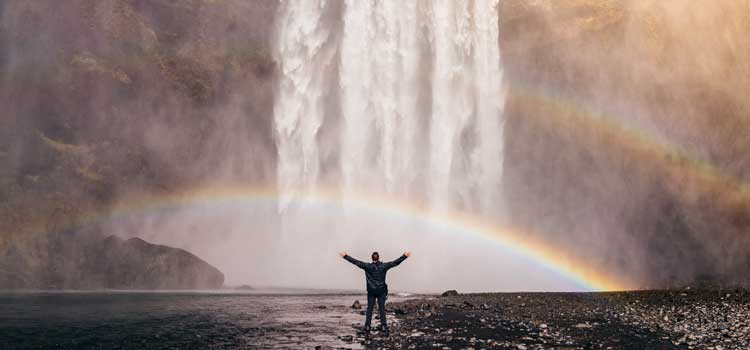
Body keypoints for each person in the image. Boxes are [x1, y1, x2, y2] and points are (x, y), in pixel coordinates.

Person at [339, 250, 411, 335]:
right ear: (379, 258)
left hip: (371, 291)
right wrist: (404, 256)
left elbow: (355, 262)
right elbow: (395, 263)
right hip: (381, 291)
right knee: (381, 309)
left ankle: (367, 326)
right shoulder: (384, 266)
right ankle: (383, 326)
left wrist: (345, 256)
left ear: (371, 258)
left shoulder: (367, 266)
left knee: (370, 309)